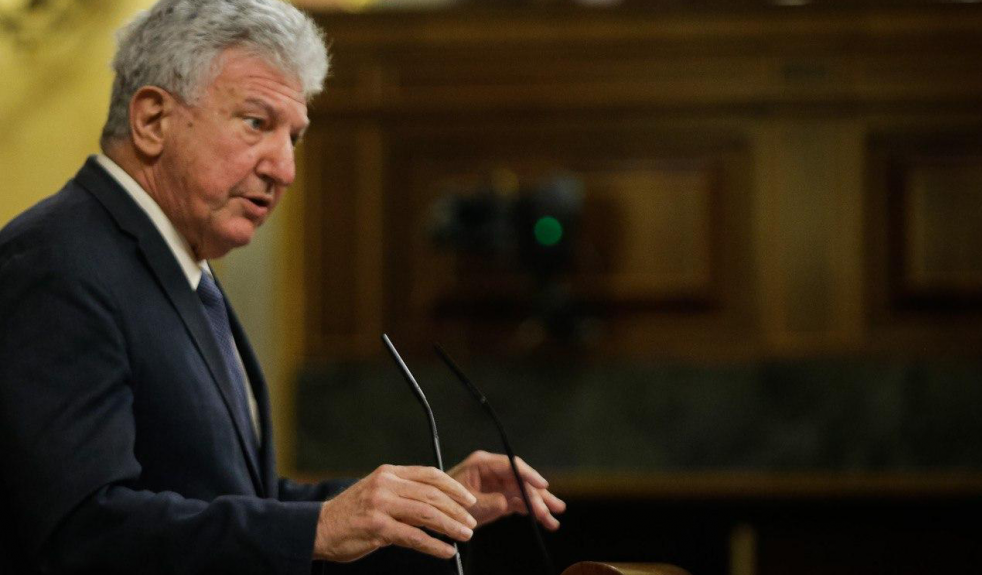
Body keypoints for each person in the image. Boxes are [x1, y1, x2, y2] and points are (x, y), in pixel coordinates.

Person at [0, 1, 565, 573]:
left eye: (293, 136)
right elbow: (80, 533)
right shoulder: (56, 263)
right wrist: (315, 529)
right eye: (256, 123)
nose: (285, 168)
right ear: (152, 120)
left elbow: (234, 501)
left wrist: (412, 506)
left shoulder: (176, 266)